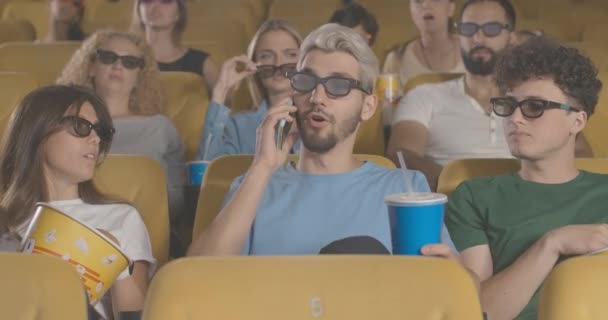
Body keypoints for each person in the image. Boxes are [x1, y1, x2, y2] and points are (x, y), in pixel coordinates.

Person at [188, 23, 454, 256]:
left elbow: (441, 288)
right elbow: (198, 282)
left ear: (368, 107)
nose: (317, 98)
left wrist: (453, 271)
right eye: (305, 81)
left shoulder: (406, 188)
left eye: (338, 86)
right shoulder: (252, 186)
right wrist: (262, 167)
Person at [446, 37, 605, 320]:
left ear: (577, 121)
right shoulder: (473, 195)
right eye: (509, 105)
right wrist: (553, 243)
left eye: (534, 107)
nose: (515, 118)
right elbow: (481, 311)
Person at [0, 85, 155, 319]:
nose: (95, 139)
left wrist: (117, 264)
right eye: (81, 127)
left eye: (100, 131)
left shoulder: (120, 217)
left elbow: (135, 316)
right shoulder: (5, 219)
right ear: (39, 130)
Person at [57, 30, 187, 225]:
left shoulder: (160, 127)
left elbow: (176, 203)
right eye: (109, 58)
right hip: (70, 223)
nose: (118, 65)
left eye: (130, 62)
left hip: (139, 227)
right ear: (91, 67)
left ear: (139, 77)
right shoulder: (62, 123)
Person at [196, 19, 302, 161]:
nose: (278, 63)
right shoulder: (238, 126)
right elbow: (206, 173)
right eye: (266, 56)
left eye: (290, 54)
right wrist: (220, 92)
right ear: (254, 65)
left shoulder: (320, 119)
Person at [131, 0, 219, 91]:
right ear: (138, 10)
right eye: (148, 0)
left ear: (180, 12)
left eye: (166, 1)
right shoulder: (125, 60)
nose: (155, 6)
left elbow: (224, 103)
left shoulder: (204, 64)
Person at [383, 0, 464, 86]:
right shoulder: (396, 60)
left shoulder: (472, 52)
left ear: (451, 8)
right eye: (418, 1)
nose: (425, 5)